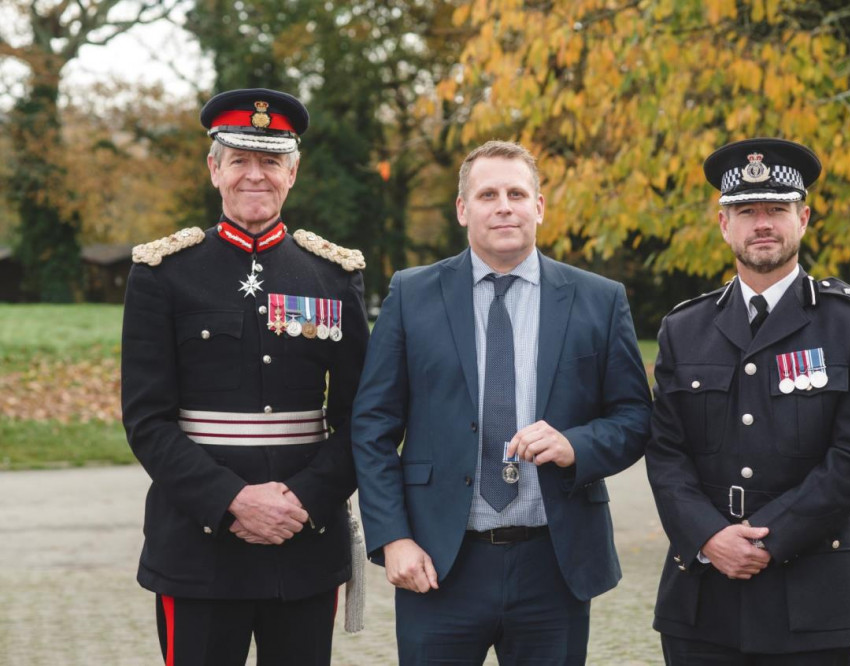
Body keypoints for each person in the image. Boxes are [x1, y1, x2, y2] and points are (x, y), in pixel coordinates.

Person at [351, 140, 652, 665]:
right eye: (488, 194)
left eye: (517, 192)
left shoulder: (599, 299)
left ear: (539, 206)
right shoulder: (412, 293)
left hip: (553, 564)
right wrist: (392, 537)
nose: (504, 205)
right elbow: (372, 425)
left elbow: (634, 418)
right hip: (438, 561)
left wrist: (575, 444)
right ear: (464, 210)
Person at [120, 88, 368, 666]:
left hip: (303, 538)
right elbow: (147, 419)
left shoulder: (333, 275)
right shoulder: (163, 274)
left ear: (293, 172)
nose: (254, 175)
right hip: (199, 544)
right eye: (239, 160)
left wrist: (301, 500)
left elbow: (362, 417)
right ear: (214, 170)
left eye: (270, 161)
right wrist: (232, 499)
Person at [646, 137, 850, 665]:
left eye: (776, 209)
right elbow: (666, 453)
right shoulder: (683, 329)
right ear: (724, 225)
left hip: (811, 591)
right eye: (746, 210)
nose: (762, 223)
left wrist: (765, 540)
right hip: (703, 593)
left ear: (803, 219)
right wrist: (710, 536)